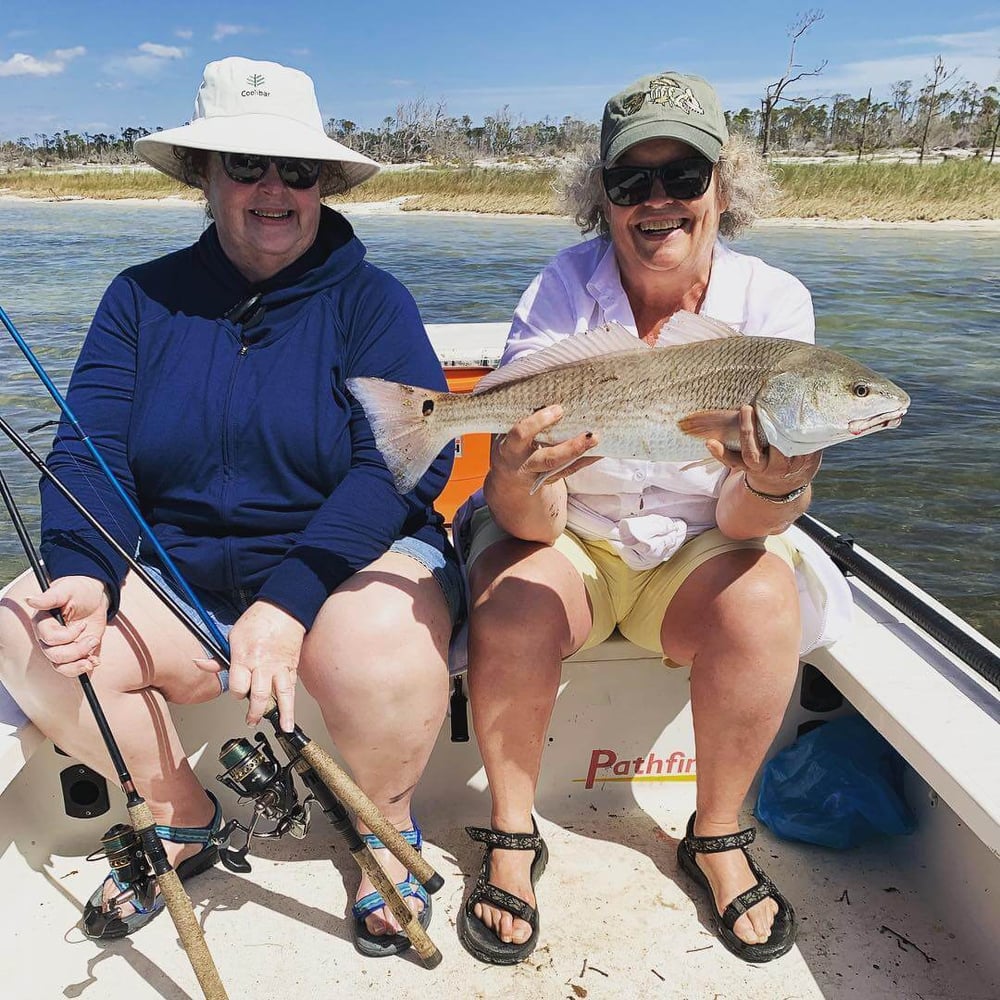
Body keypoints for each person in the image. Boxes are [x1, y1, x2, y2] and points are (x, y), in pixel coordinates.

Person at [0, 57, 463, 958]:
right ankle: (180, 817)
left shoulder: (375, 303)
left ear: (323, 183)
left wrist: (290, 598)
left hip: (344, 567)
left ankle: (386, 834)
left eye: (296, 170)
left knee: (381, 637)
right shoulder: (140, 298)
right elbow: (86, 455)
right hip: (182, 575)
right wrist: (88, 575)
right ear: (205, 177)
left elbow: (404, 467)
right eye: (244, 165)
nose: (273, 189)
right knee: (27, 624)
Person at [457, 71, 830, 966]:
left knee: (767, 596)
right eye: (632, 183)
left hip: (697, 546)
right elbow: (531, 524)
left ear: (723, 189)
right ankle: (512, 831)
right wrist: (513, 469)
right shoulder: (561, 287)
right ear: (602, 198)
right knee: (509, 592)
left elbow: (744, 530)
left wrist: (778, 478)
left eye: (684, 177)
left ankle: (718, 833)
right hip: (572, 534)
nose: (658, 203)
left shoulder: (773, 307)